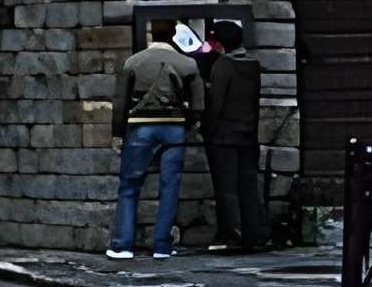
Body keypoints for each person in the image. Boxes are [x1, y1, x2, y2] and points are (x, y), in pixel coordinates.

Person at [111, 19, 201, 258]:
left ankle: (122, 245)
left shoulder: (133, 62)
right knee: (170, 186)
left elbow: (120, 102)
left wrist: (118, 134)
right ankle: (162, 246)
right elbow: (199, 105)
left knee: (130, 186)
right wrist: (186, 123)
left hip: (141, 127)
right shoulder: (188, 63)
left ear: (151, 32)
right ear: (174, 34)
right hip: (174, 128)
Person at [199, 20, 265, 251]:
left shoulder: (224, 65)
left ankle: (231, 237)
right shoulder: (253, 64)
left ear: (219, 43)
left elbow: (216, 103)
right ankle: (254, 235)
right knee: (248, 186)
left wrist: (206, 129)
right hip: (247, 134)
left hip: (224, 136)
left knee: (227, 188)